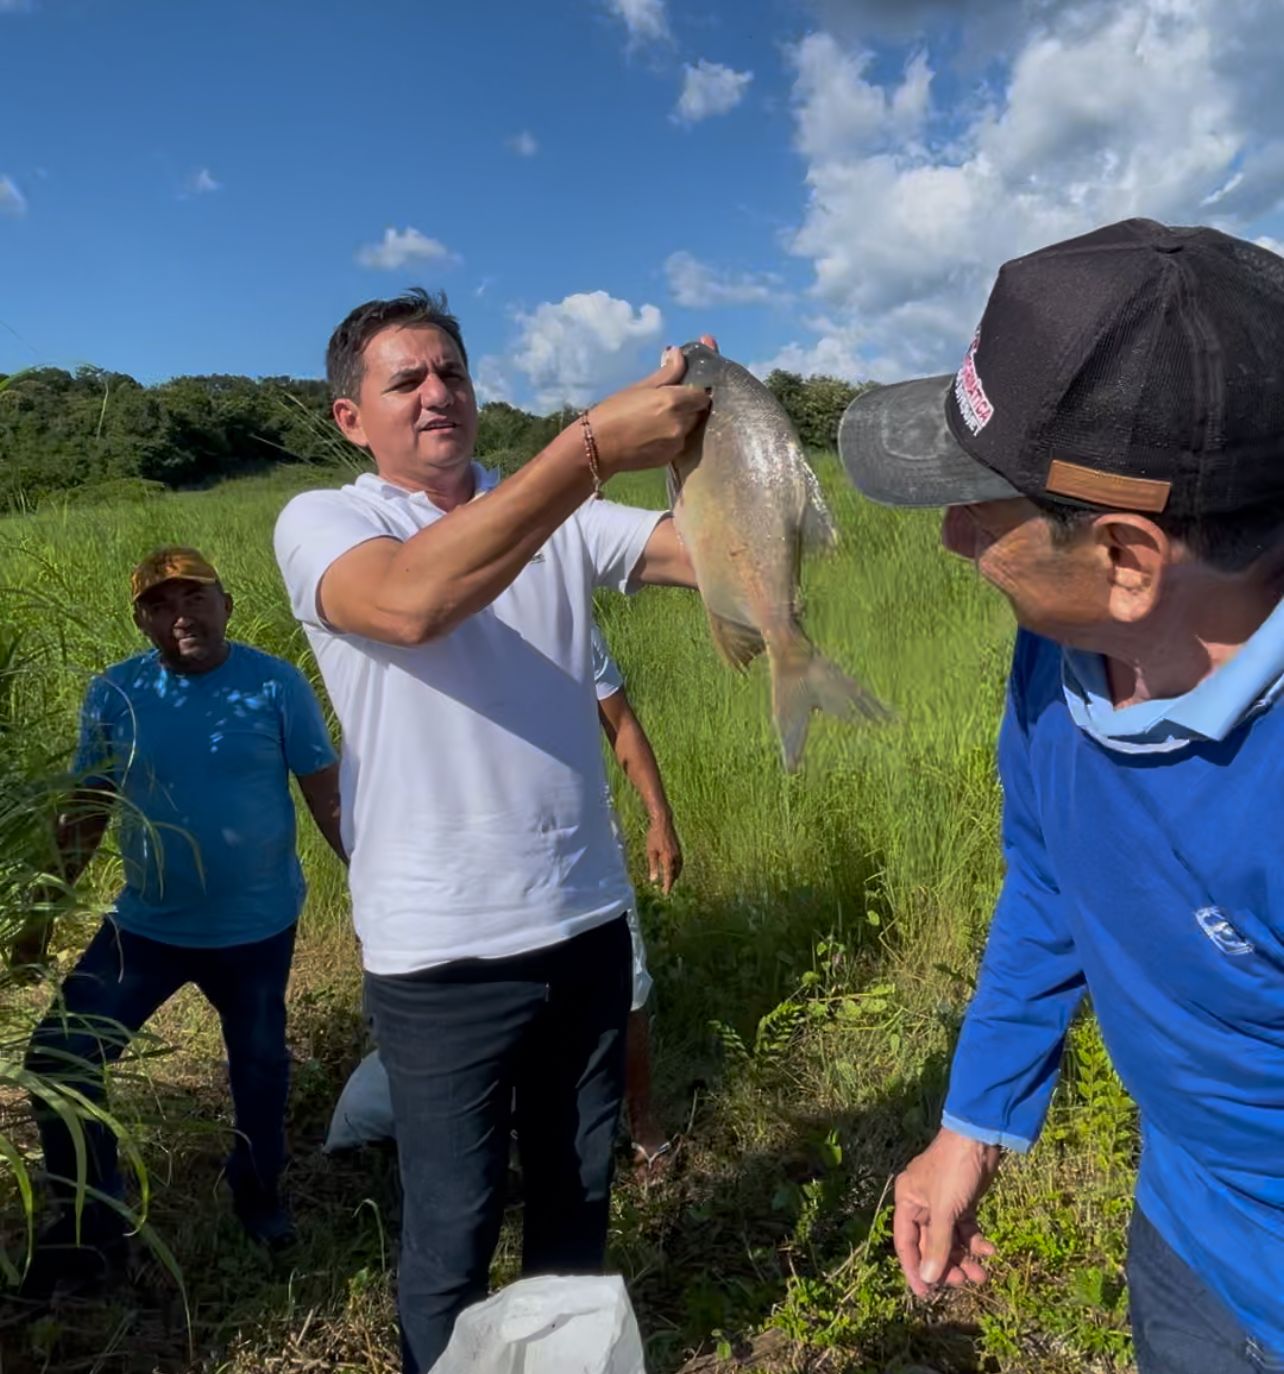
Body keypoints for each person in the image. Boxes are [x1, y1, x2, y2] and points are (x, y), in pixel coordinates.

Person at [837, 219, 1284, 1374]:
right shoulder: (1062, 658)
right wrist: (972, 1124)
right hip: (1187, 1237)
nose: (947, 539)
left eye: (979, 512)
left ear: (1129, 559)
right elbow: (1054, 875)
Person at [272, 288, 710, 1372]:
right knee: (454, 1231)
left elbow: (712, 558)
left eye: (452, 373)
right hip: (441, 957)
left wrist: (714, 441)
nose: (436, 394)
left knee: (575, 1212)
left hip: (585, 926)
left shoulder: (553, 507)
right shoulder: (327, 522)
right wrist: (595, 445)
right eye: (406, 380)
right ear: (350, 418)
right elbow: (414, 604)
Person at [15, 546, 345, 1297]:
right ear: (141, 622)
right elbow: (84, 815)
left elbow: (327, 800)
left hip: (256, 930)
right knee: (59, 1062)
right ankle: (92, 1228)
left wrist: (383, 896)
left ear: (225, 604)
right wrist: (40, 917)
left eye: (195, 597)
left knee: (259, 1069)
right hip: (147, 930)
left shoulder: (272, 683)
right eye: (160, 606)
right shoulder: (116, 694)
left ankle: (258, 1196)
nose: (181, 615)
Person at [590, 623, 681, 1169]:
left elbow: (619, 722)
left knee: (629, 990)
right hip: (495, 866)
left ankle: (643, 1122)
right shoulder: (461, 620)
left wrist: (659, 817)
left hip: (592, 852)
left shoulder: (573, 620)